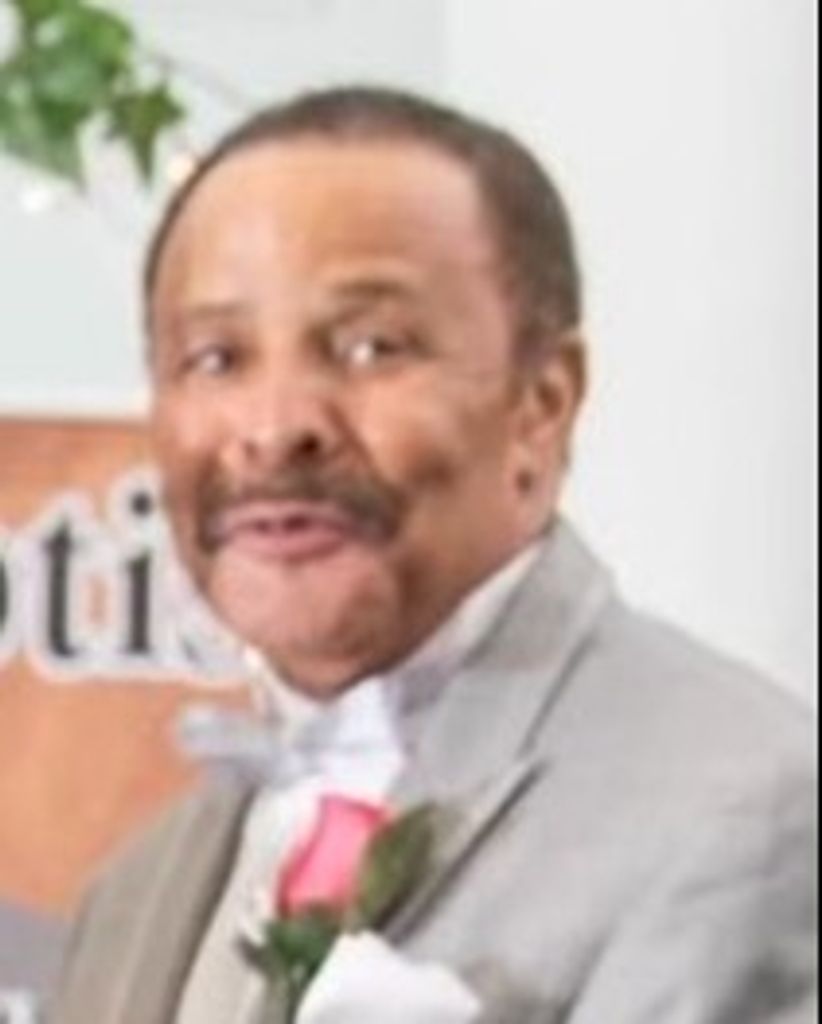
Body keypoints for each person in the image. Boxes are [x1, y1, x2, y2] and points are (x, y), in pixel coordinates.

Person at [49, 87, 816, 1024]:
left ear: (542, 403)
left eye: (372, 347)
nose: (277, 425)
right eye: (216, 358)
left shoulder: (750, 820)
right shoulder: (136, 891)